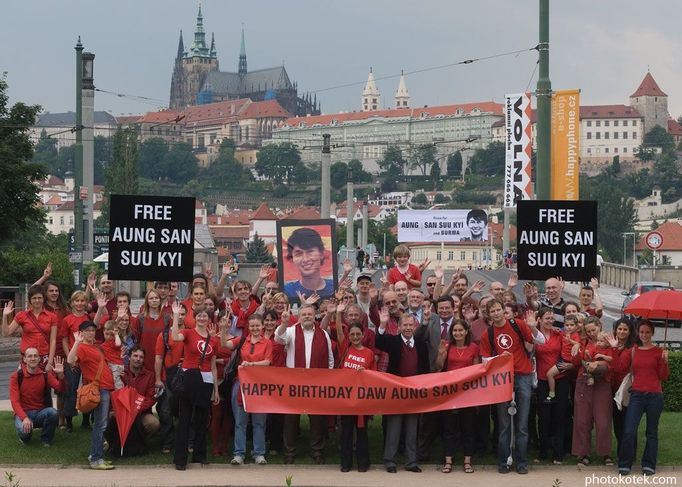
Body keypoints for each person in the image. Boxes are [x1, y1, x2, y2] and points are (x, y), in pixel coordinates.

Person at [479, 299, 545, 475]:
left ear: (504, 310)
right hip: (503, 379)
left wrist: (533, 327)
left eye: (499, 309)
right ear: (489, 314)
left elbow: (541, 340)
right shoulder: (489, 333)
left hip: (522, 376)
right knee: (504, 424)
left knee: (522, 424)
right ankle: (504, 461)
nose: (496, 313)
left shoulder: (518, 325)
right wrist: (498, 359)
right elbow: (484, 359)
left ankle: (521, 462)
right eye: (492, 311)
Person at [275, 304, 334, 464]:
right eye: (304, 314)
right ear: (300, 317)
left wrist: (327, 379)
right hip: (294, 383)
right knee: (291, 420)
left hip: (316, 384)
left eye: (310, 314)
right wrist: (284, 324)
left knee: (317, 420)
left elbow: (329, 359)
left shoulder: (324, 334)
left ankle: (317, 451)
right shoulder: (291, 331)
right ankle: (289, 452)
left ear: (315, 316)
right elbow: (278, 339)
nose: (307, 316)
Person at [375, 312, 430, 473]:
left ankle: (411, 461)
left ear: (415, 327)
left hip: (414, 392)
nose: (407, 328)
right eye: (404, 325)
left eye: (410, 325)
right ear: (399, 327)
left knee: (413, 428)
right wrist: (383, 325)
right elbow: (378, 342)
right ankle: (389, 460)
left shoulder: (421, 344)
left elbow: (425, 368)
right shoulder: (392, 341)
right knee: (394, 427)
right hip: (397, 392)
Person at [170, 304, 220, 470]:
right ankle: (180, 459)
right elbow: (175, 337)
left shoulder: (213, 339)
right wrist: (176, 315)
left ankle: (200, 455)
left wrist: (216, 390)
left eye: (205, 316)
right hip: (189, 377)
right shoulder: (189, 333)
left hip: (206, 381)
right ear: (195, 317)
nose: (202, 318)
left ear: (209, 319)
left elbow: (213, 366)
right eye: (199, 315)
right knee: (185, 419)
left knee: (202, 420)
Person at [618, 320, 669, 476]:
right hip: (637, 395)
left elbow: (663, 376)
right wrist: (617, 348)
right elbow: (619, 367)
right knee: (629, 430)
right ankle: (625, 463)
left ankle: (649, 464)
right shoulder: (633, 350)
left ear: (652, 333)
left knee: (651, 432)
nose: (644, 335)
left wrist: (664, 361)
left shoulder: (660, 351)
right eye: (642, 332)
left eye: (647, 332)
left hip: (655, 395)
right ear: (638, 333)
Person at [221, 313, 272, 465]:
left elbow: (268, 361)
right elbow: (225, 345)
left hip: (259, 385)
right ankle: (239, 454)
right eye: (252, 326)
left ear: (262, 326)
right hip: (241, 383)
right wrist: (224, 330)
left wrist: (251, 365)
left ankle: (259, 453)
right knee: (240, 421)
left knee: (259, 421)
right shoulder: (243, 340)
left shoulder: (267, 342)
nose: (255, 328)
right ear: (248, 327)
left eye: (257, 325)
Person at [67, 320, 115, 470]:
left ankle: (96, 455)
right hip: (100, 389)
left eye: (92, 330)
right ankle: (96, 459)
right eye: (87, 330)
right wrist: (76, 342)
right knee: (100, 425)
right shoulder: (81, 347)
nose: (90, 333)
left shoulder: (96, 347)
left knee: (101, 424)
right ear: (81, 333)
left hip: (106, 388)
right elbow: (70, 360)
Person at [434, 320, 479, 474]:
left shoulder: (474, 348)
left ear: (466, 331)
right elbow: (439, 367)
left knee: (468, 427)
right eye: (455, 331)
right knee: (449, 427)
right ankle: (448, 461)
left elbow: (477, 369)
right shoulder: (447, 346)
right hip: (450, 393)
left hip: (467, 393)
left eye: (461, 330)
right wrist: (441, 354)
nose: (458, 333)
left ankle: (467, 461)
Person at [571, 318, 615, 467]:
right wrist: (577, 352)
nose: (591, 333)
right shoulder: (582, 342)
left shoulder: (608, 340)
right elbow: (576, 363)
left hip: (602, 382)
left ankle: (606, 453)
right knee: (582, 420)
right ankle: (583, 453)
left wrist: (597, 363)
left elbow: (612, 361)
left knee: (603, 421)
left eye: (593, 330)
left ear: (599, 326)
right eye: (588, 331)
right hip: (583, 381)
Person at [532, 308, 572, 464]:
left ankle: (558, 453)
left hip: (560, 380)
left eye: (551, 318)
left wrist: (564, 367)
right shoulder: (535, 337)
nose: (549, 321)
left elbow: (566, 355)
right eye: (546, 318)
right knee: (544, 418)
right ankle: (543, 452)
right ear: (539, 320)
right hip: (542, 382)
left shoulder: (559, 335)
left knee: (560, 416)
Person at [336, 320, 376, 473]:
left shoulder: (369, 353)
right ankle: (345, 464)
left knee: (361, 433)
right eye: (352, 334)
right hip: (346, 399)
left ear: (363, 335)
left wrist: (365, 373)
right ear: (349, 336)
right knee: (346, 433)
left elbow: (375, 376)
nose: (355, 337)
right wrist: (338, 313)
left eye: (358, 334)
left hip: (362, 400)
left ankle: (363, 463)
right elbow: (339, 332)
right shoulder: (344, 349)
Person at [107, 346, 159, 452]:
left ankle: (138, 442)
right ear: (129, 358)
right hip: (121, 411)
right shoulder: (121, 372)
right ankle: (111, 443)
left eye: (141, 357)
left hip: (141, 412)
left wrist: (136, 409)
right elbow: (116, 393)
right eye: (135, 356)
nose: (138, 359)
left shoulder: (150, 376)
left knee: (154, 423)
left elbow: (151, 399)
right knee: (107, 418)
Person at [10, 349, 65, 446]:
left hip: (40, 413)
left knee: (53, 413)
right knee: (25, 434)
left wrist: (61, 375)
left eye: (35, 356)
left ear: (39, 359)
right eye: (30, 356)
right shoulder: (16, 376)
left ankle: (46, 440)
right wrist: (25, 418)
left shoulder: (45, 375)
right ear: (25, 359)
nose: (33, 358)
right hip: (23, 413)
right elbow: (15, 402)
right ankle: (24, 436)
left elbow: (61, 389)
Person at [154, 303, 186, 454]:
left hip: (186, 377)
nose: (179, 316)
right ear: (172, 316)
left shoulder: (191, 333)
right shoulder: (164, 335)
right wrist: (158, 379)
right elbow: (159, 358)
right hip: (168, 378)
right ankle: (167, 442)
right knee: (166, 411)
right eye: (176, 314)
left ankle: (187, 441)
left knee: (186, 411)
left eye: (182, 313)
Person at [3, 285, 58, 371]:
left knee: (45, 383)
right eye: (34, 298)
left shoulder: (52, 316)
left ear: (44, 299)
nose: (37, 300)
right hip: (27, 357)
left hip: (44, 356)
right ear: (30, 300)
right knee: (25, 383)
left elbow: (53, 340)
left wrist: (50, 362)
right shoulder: (22, 315)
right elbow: (6, 333)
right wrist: (5, 316)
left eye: (40, 298)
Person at [283, 227, 335, 300]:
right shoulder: (287, 291)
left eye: (310, 251)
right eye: (298, 254)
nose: (305, 259)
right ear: (292, 258)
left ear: (321, 254)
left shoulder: (334, 287)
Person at [611, 318, 636, 456]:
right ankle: (622, 453)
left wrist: (614, 349)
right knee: (618, 425)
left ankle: (628, 455)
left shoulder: (631, 348)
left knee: (627, 424)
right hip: (612, 389)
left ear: (630, 332)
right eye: (619, 329)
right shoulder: (611, 343)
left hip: (625, 390)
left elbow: (619, 367)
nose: (621, 332)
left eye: (625, 329)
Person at [135, 290, 170, 372]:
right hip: (145, 357)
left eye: (156, 298)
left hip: (161, 357)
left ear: (160, 300)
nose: (154, 300)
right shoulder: (140, 318)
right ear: (147, 301)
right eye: (151, 298)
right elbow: (136, 338)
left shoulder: (167, 318)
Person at [101, 321, 124, 390]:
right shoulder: (103, 345)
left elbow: (118, 344)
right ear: (103, 332)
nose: (109, 337)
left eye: (111, 335)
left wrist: (116, 335)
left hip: (116, 365)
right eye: (107, 334)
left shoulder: (113, 342)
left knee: (117, 385)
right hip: (110, 365)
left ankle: (121, 393)